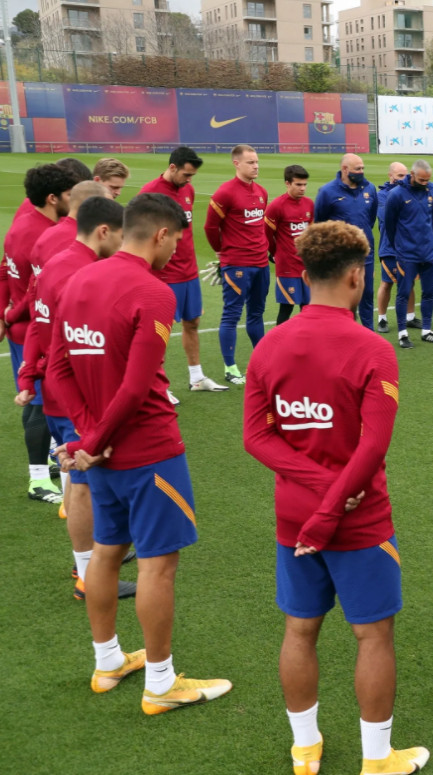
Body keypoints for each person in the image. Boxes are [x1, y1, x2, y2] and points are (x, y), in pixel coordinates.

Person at [243, 220, 428, 775]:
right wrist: (335, 500)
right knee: (372, 634)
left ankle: (305, 749)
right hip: (359, 517)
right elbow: (373, 448)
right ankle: (377, 759)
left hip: (293, 517)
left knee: (300, 629)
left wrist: (317, 498)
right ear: (356, 277)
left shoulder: (269, 346)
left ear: (301, 276)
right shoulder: (373, 350)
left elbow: (256, 438)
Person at [48, 192, 231, 714]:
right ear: (160, 235)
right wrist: (97, 440)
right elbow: (135, 387)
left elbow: (58, 369)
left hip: (99, 453)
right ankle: (161, 682)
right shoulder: (152, 293)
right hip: (147, 448)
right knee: (156, 565)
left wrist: (86, 440)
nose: (178, 248)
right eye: (177, 238)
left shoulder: (79, 279)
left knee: (106, 552)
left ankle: (107, 662)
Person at [17, 194, 137, 601]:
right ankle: (88, 574)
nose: (124, 245)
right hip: (72, 392)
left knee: (74, 477)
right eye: (121, 236)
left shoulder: (58, 262)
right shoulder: (80, 272)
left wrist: (29, 373)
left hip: (54, 388)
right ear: (104, 231)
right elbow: (79, 339)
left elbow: (37, 320)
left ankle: (91, 560)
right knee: (83, 483)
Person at [4, 163, 77, 504]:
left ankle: (48, 464)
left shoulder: (30, 223)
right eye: (68, 195)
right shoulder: (39, 233)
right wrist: (9, 314)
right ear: (53, 198)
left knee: (39, 401)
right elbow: (31, 291)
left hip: (29, 324)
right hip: (32, 328)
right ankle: (37, 479)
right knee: (37, 403)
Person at [140, 147, 229, 396]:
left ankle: (197, 377)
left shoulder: (187, 190)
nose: (190, 180)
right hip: (164, 275)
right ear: (172, 168)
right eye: (186, 175)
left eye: (192, 176)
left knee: (193, 322)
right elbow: (138, 235)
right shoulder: (149, 193)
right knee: (159, 331)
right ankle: (156, 385)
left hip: (189, 272)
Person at [205, 144, 270, 385]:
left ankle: (262, 362)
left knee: (256, 314)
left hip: (261, 263)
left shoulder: (262, 191)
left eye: (257, 162)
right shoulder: (225, 193)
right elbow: (210, 228)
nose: (256, 166)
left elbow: (258, 226)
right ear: (236, 164)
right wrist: (222, 252)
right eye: (251, 162)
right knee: (231, 315)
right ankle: (231, 368)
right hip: (237, 265)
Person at [314, 153, 379, 331]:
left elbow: (370, 218)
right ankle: (342, 333)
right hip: (340, 256)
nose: (361, 172)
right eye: (357, 169)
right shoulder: (327, 192)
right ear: (345, 169)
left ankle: (368, 333)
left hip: (364, 253)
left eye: (363, 168)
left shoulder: (370, 188)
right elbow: (319, 223)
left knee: (366, 294)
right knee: (342, 297)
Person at [382, 159, 433, 349]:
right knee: (403, 293)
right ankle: (402, 333)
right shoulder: (396, 195)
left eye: (428, 180)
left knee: (428, 292)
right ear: (413, 175)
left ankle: (426, 331)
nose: (426, 183)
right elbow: (389, 225)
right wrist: (398, 246)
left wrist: (432, 244)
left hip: (429, 252)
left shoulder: (431, 191)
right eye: (422, 180)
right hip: (407, 254)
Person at [265, 164, 315, 326]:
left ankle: (305, 343)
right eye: (298, 184)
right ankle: (279, 344)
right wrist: (275, 253)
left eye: (305, 184)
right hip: (287, 266)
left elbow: (312, 233)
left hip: (307, 267)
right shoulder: (276, 206)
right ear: (287, 183)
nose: (302, 188)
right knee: (286, 308)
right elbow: (266, 235)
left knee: (308, 308)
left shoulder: (309, 204)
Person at [374, 161, 416, 333]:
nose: (403, 179)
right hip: (390, 247)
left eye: (406, 176)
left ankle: (410, 317)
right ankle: (382, 319)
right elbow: (386, 217)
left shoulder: (410, 193)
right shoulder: (382, 196)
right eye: (399, 176)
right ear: (390, 176)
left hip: (408, 247)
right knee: (387, 283)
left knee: (410, 282)